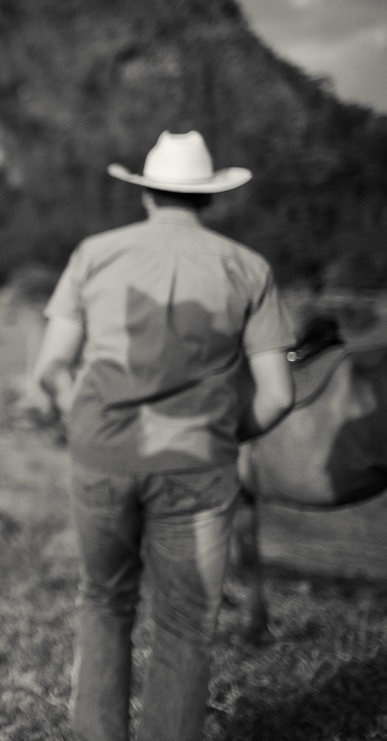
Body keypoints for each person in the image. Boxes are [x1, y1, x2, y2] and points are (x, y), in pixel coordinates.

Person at [32, 131, 295, 741]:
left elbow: (49, 368)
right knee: (186, 624)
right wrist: (225, 434)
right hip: (199, 466)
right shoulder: (249, 268)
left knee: (104, 601)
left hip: (102, 453)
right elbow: (279, 394)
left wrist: (86, 423)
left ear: (146, 193)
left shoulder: (94, 253)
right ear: (208, 199)